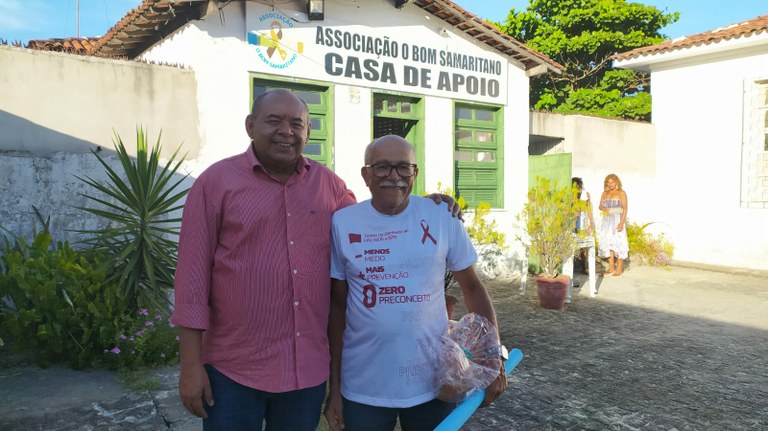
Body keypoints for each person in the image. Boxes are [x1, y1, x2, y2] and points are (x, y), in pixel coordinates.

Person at [171, 89, 459, 430]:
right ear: (251, 126)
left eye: (297, 123)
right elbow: (191, 278)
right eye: (273, 121)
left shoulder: (330, 187)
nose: (286, 131)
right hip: (233, 371)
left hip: (304, 374)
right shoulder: (215, 184)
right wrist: (191, 365)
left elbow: (374, 227)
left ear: (308, 133)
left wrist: (425, 206)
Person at [324, 135, 507, 431]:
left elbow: (473, 288)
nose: (394, 176)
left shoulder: (441, 216)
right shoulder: (343, 223)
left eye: (403, 168)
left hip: (435, 383)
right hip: (364, 386)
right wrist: (335, 388)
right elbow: (337, 307)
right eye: (382, 167)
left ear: (415, 173)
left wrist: (492, 358)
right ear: (366, 174)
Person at [598, 173, 629, 277]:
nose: (610, 184)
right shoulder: (604, 193)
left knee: (619, 243)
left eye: (612, 182)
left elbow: (625, 208)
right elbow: (600, 206)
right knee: (608, 244)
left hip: (617, 220)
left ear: (616, 182)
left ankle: (619, 269)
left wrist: (621, 223)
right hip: (606, 221)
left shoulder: (621, 193)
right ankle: (611, 268)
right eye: (608, 182)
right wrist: (604, 209)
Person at [572, 177, 595, 274]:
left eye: (579, 185)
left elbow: (589, 210)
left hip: (583, 220)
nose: (578, 187)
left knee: (584, 246)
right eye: (576, 185)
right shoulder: (571, 195)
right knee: (571, 245)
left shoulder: (585, 195)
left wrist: (591, 223)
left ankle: (585, 267)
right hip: (573, 221)